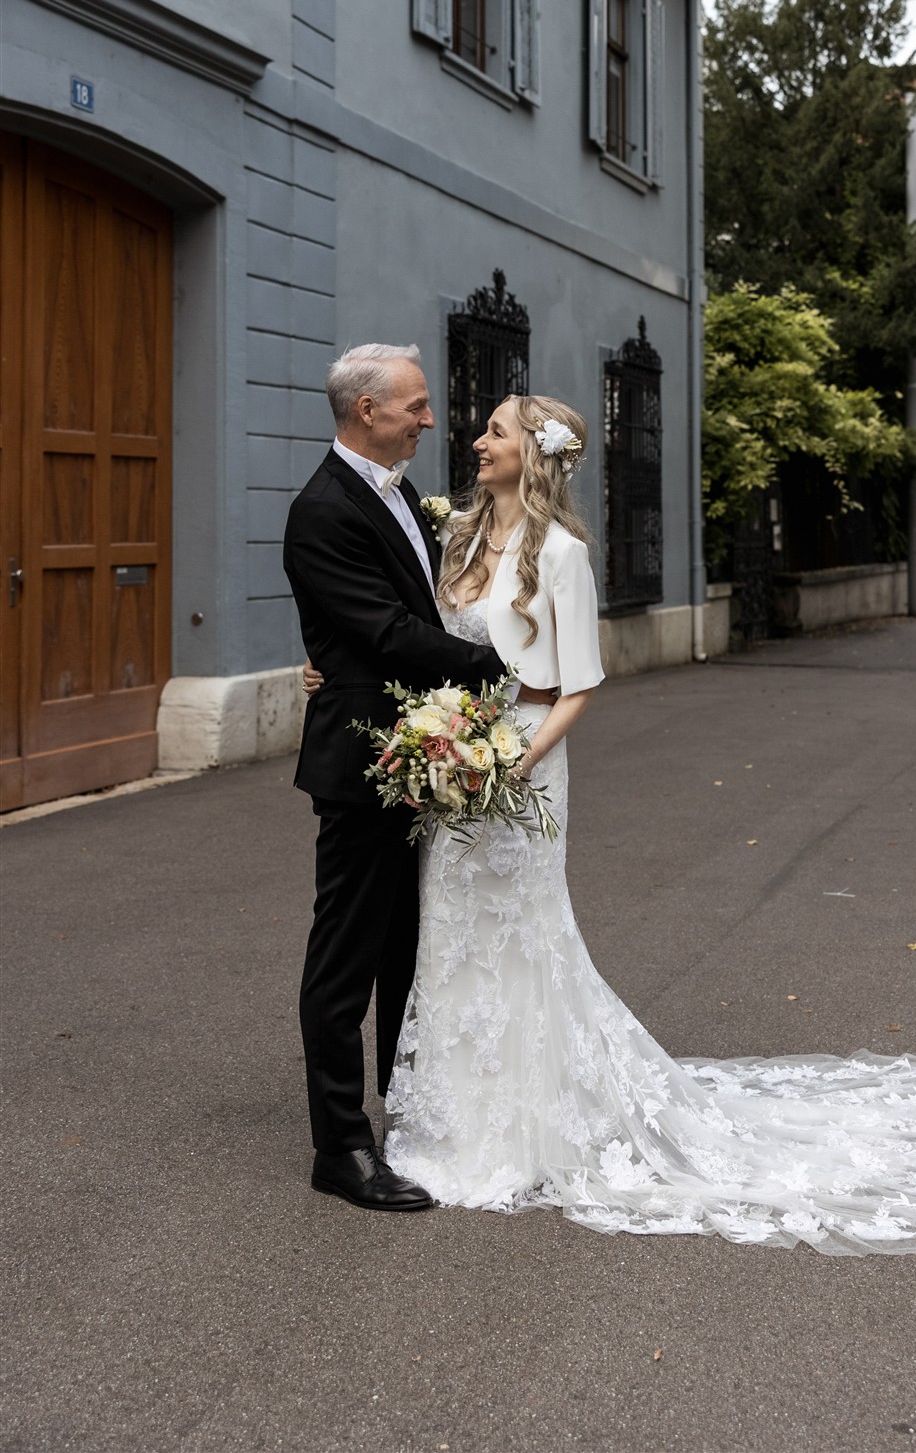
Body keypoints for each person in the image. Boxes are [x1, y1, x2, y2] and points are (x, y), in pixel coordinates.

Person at [303, 394, 916, 1254]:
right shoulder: (454, 534)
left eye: (495, 431)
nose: (473, 439)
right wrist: (344, 680)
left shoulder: (566, 557)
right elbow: (388, 621)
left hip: (521, 765)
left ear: (532, 458)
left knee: (522, 934)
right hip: (455, 766)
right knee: (454, 938)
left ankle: (534, 1117)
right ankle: (455, 1112)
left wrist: (514, 759)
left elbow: (580, 683)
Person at [283, 342, 506, 1212]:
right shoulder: (323, 510)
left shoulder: (400, 490)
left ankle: (403, 1114)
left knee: (408, 946)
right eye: (414, 406)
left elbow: (413, 605)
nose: (427, 418)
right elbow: (382, 631)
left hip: (417, 749)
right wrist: (499, 666)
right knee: (347, 956)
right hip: (361, 759)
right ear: (366, 411)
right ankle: (340, 1147)